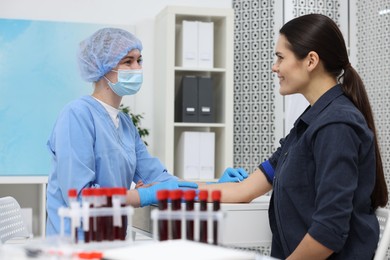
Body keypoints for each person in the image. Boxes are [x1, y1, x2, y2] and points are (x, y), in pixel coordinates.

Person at [199, 14, 388, 259]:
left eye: (280, 57)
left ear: (311, 61)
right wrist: (173, 189)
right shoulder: (310, 122)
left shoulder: (337, 125)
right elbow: (244, 190)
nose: (274, 67)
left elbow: (328, 232)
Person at [46, 28, 198, 236]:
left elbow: (160, 179)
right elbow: (80, 197)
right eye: (128, 62)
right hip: (75, 245)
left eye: (139, 60)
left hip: (113, 241)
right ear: (102, 68)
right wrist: (141, 196)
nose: (137, 68)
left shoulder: (125, 124)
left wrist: (212, 186)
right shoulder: (76, 115)